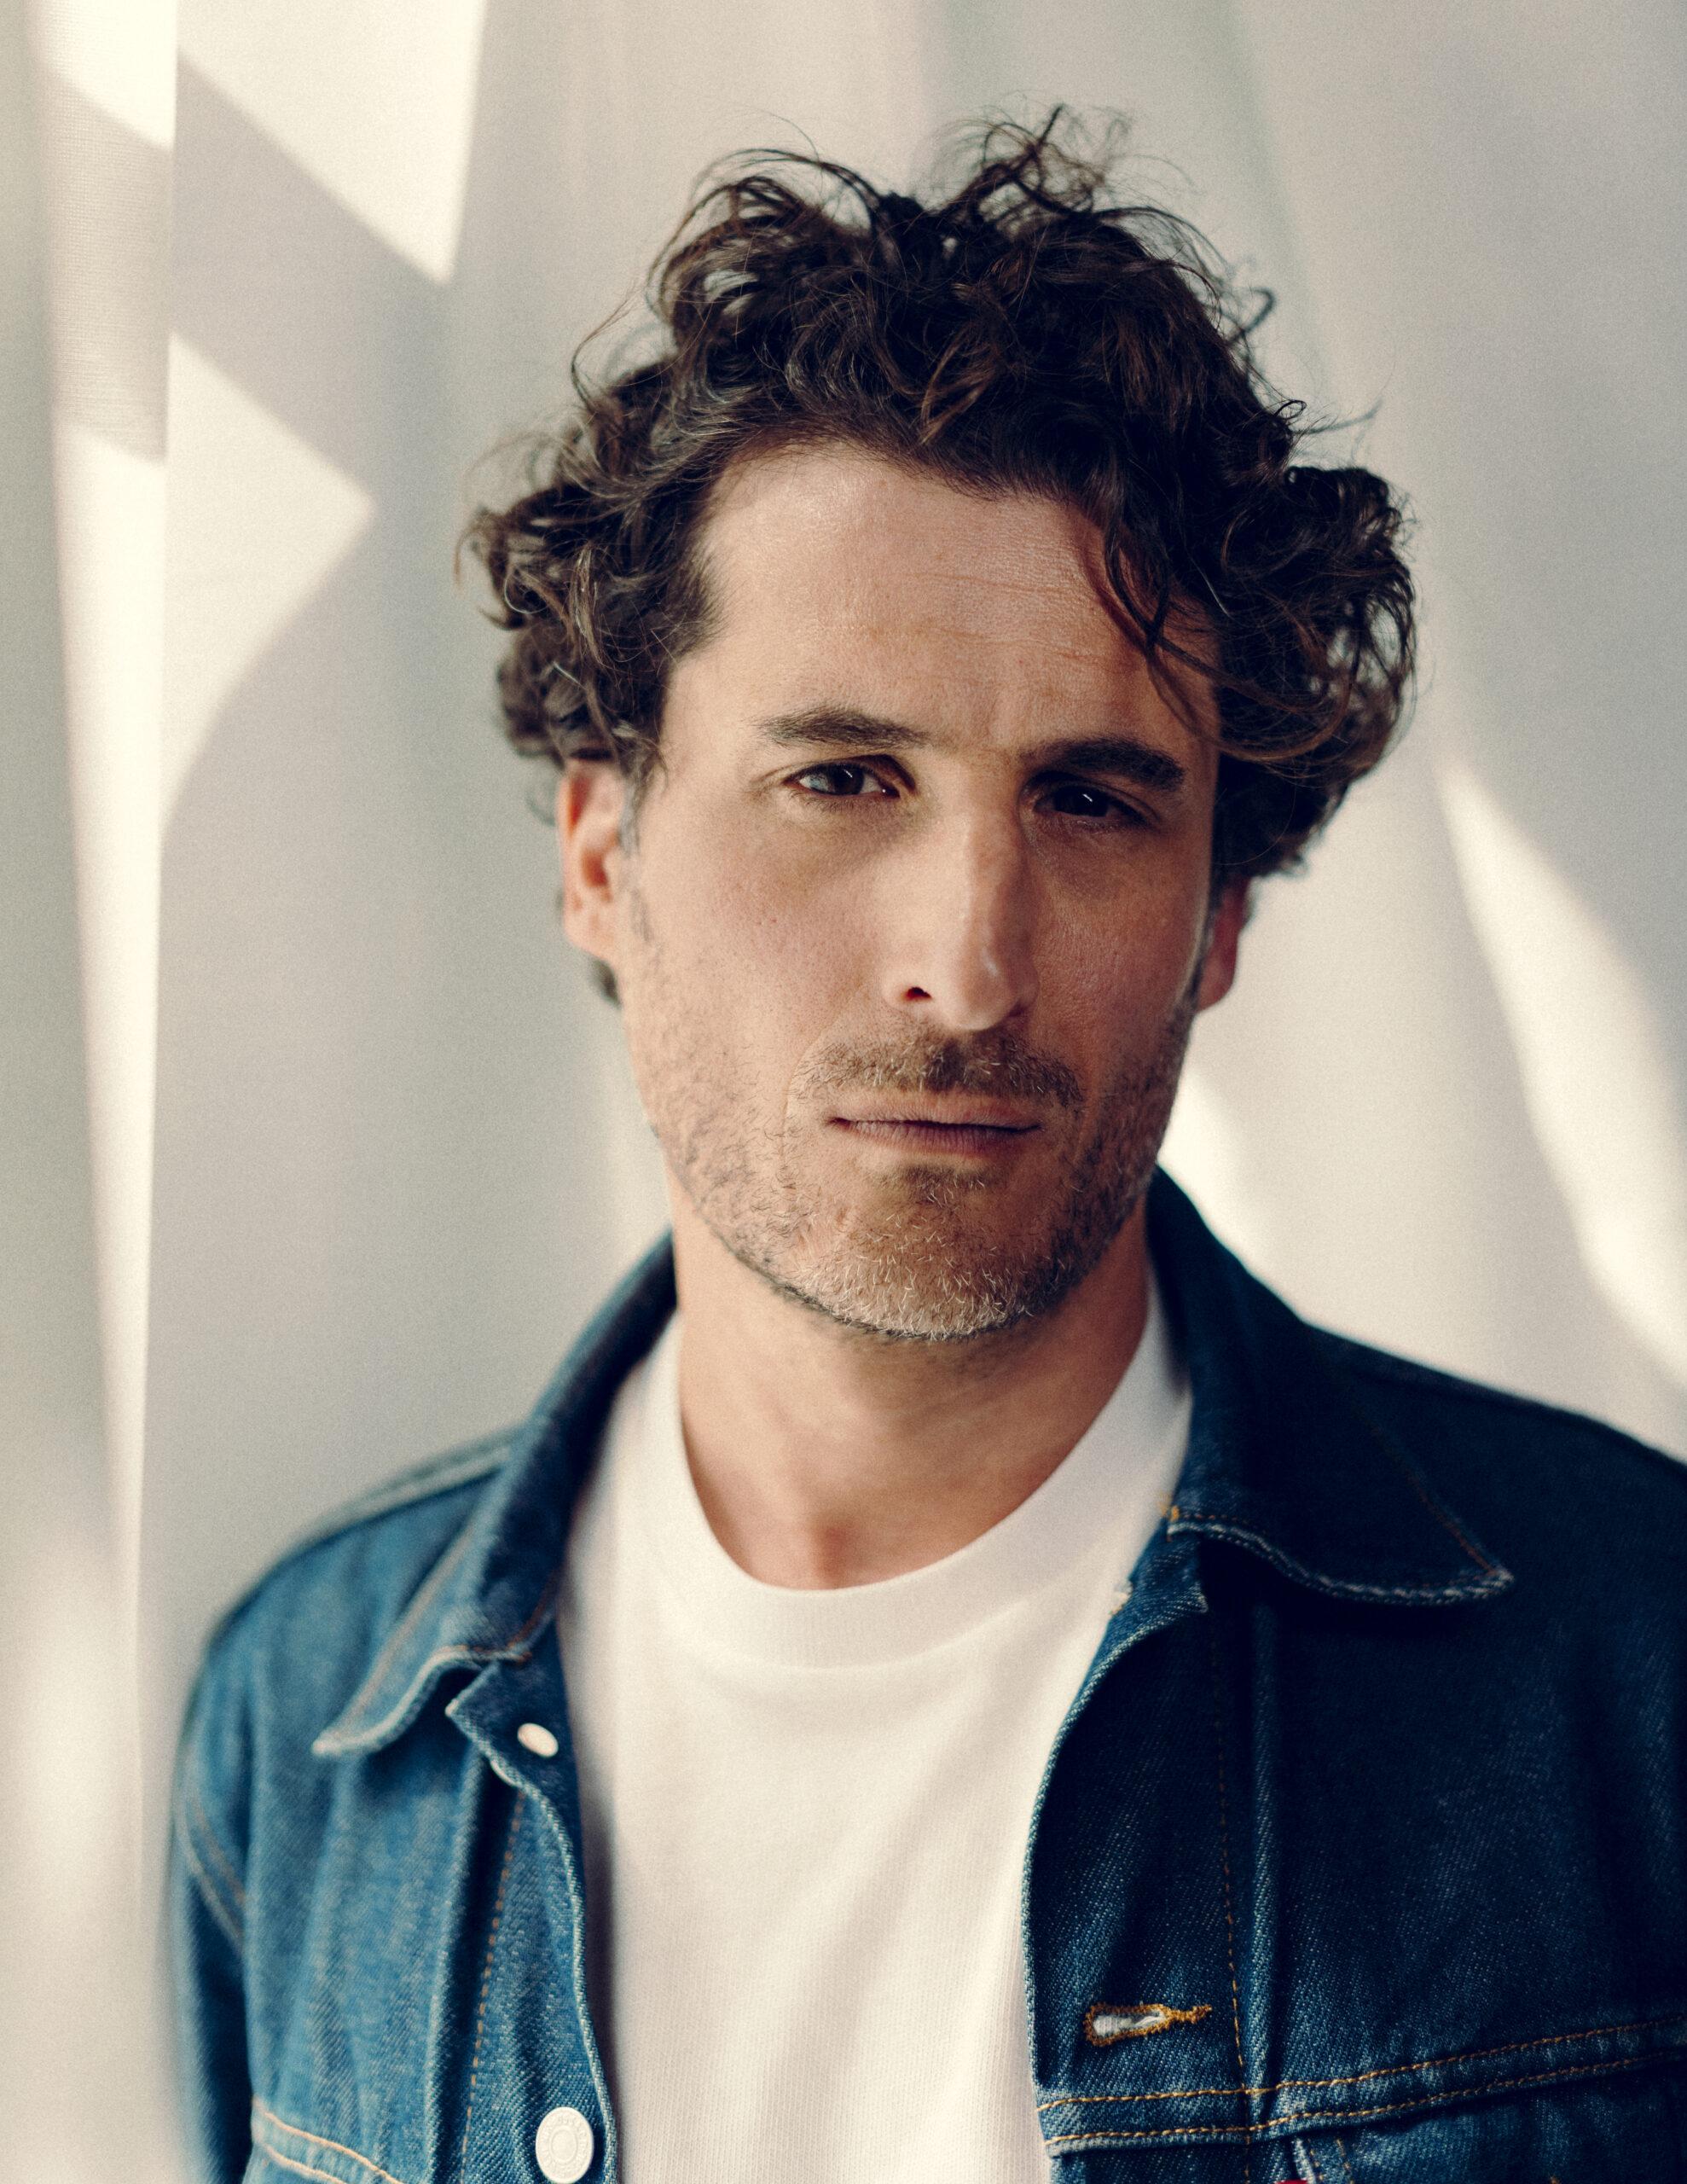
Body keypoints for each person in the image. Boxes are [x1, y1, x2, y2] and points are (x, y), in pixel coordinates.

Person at [170, 118, 1687, 2184]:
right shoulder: (305, 1720)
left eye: (1092, 802)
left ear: (1218, 914)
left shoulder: (1629, 1664)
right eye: (841, 777)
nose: (964, 965)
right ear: (603, 853)